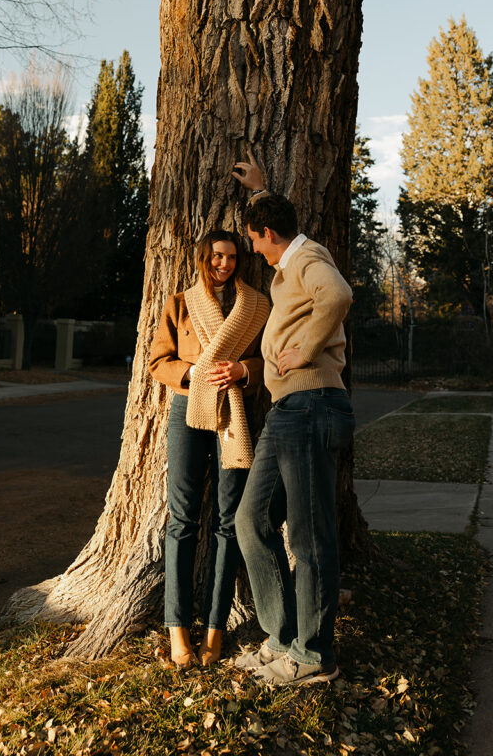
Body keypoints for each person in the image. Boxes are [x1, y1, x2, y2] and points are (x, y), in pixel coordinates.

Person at [232, 152, 354, 686]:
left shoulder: (306, 260)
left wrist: (304, 348)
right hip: (289, 413)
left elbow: (339, 294)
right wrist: (258, 189)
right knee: (251, 522)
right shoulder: (292, 259)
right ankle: (283, 638)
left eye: (254, 239)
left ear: (267, 235)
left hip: (311, 406)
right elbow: (277, 220)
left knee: (308, 538)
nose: (252, 249)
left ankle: (314, 656)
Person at [149, 229, 270, 669]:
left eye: (232, 257)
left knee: (227, 521)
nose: (225, 264)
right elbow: (158, 363)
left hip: (234, 415)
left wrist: (242, 369)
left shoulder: (255, 305)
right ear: (204, 257)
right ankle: (177, 628)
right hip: (187, 413)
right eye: (217, 256)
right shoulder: (180, 302)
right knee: (181, 520)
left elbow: (268, 359)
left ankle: (216, 628)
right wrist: (196, 372)